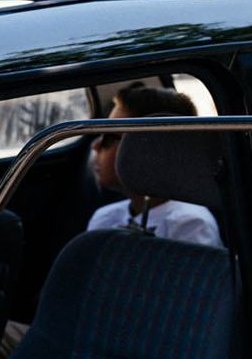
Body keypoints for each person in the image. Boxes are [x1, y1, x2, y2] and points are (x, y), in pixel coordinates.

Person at [87, 84, 224, 245]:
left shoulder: (190, 225)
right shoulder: (104, 218)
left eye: (108, 138)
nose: (95, 146)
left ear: (150, 151)